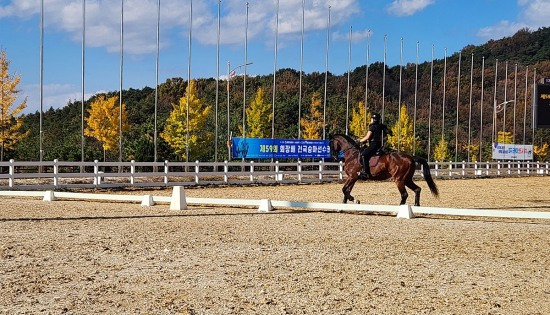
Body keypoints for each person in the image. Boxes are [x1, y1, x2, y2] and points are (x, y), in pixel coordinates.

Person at [357, 113, 392, 179]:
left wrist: (359, 141)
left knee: (364, 155)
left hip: (373, 144)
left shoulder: (372, 126)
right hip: (378, 144)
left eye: (371, 118)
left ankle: (365, 172)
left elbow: (367, 137)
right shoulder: (380, 126)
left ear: (373, 119)